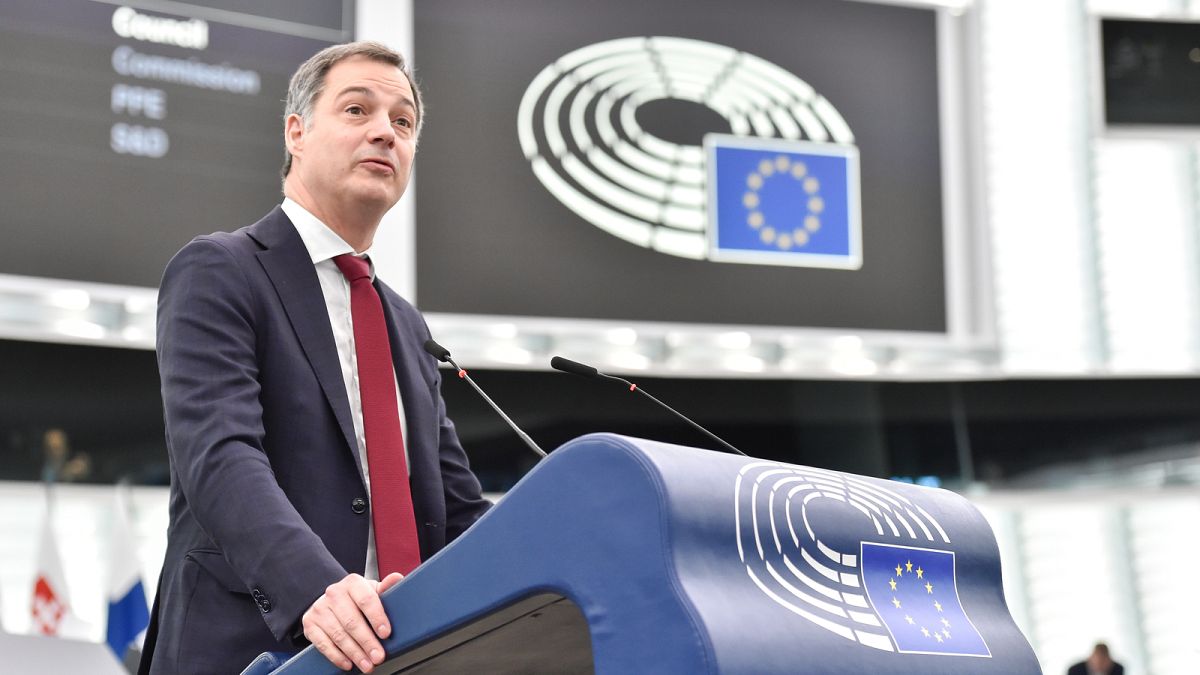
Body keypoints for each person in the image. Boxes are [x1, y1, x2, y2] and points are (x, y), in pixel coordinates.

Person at [139, 41, 491, 674]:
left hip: (414, 654)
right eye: (357, 110)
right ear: (296, 133)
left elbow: (458, 511)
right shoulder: (221, 270)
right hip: (255, 651)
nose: (386, 132)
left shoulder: (406, 326)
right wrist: (315, 592)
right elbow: (219, 454)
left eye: (403, 122)